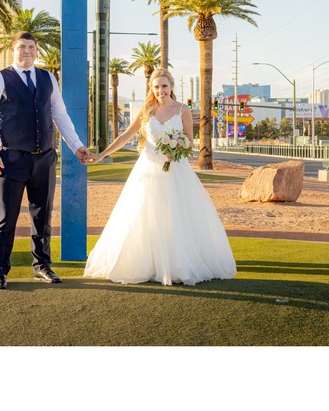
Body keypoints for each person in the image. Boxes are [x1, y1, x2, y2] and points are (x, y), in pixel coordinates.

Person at [84, 68, 236, 286]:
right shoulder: (147, 109)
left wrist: (176, 148)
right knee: (142, 214)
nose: (160, 91)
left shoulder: (182, 109)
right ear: (151, 88)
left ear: (171, 87)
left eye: (164, 86)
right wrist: (102, 154)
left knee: (176, 215)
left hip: (176, 170)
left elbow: (189, 140)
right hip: (147, 169)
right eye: (156, 87)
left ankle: (178, 264)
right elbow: (126, 135)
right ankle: (145, 264)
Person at [0, 31, 92, 290]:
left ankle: (42, 266)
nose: (27, 51)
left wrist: (76, 147)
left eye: (31, 47)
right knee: (5, 217)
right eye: (21, 47)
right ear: (13, 50)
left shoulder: (48, 78)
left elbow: (60, 116)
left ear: (37, 50)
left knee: (42, 217)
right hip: (10, 159)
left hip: (45, 159)